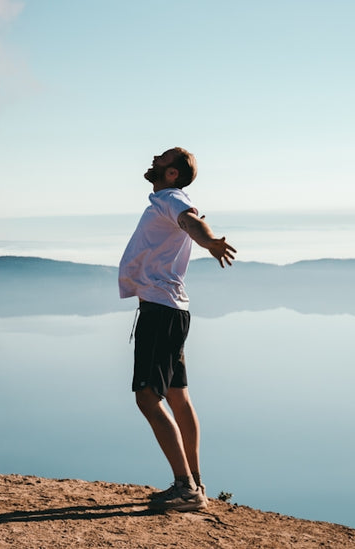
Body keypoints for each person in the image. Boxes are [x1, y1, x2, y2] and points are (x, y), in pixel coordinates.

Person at [119, 147, 236, 512]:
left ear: (172, 174)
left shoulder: (172, 198)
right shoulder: (167, 199)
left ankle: (185, 488)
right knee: (176, 394)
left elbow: (192, 222)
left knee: (147, 397)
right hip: (170, 309)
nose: (154, 158)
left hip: (159, 310)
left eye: (162, 158)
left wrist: (209, 241)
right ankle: (195, 482)